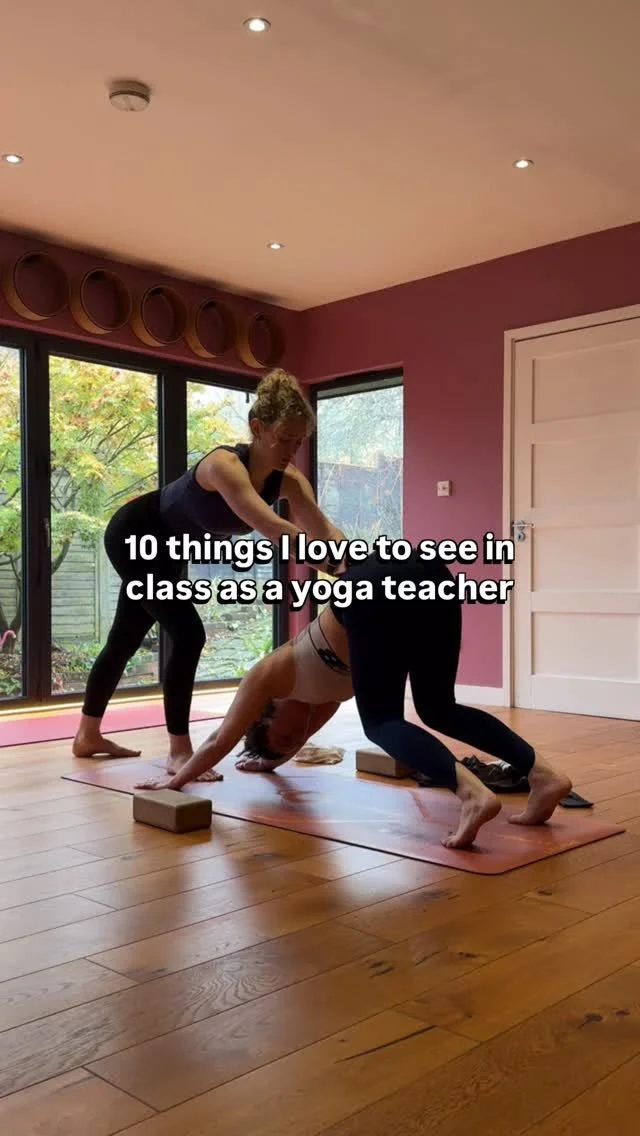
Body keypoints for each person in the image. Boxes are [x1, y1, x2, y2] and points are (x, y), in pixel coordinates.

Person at [135, 546, 572, 849]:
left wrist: (175, 781)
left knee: (380, 722)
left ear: (263, 716)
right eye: (290, 747)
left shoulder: (269, 675)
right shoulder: (322, 705)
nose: (296, 740)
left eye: (284, 739)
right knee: (439, 708)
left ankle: (472, 794)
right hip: (428, 574)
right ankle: (544, 775)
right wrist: (271, 762)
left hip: (376, 583)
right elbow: (286, 746)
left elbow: (219, 740)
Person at [72, 368, 348, 769]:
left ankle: (87, 735)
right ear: (258, 427)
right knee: (188, 635)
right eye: (284, 438)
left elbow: (323, 530)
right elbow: (274, 528)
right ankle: (179, 751)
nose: (292, 449)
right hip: (136, 533)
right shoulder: (224, 466)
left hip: (169, 552)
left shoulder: (288, 480)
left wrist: (359, 566)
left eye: (299, 440)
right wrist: (337, 567)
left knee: (125, 637)